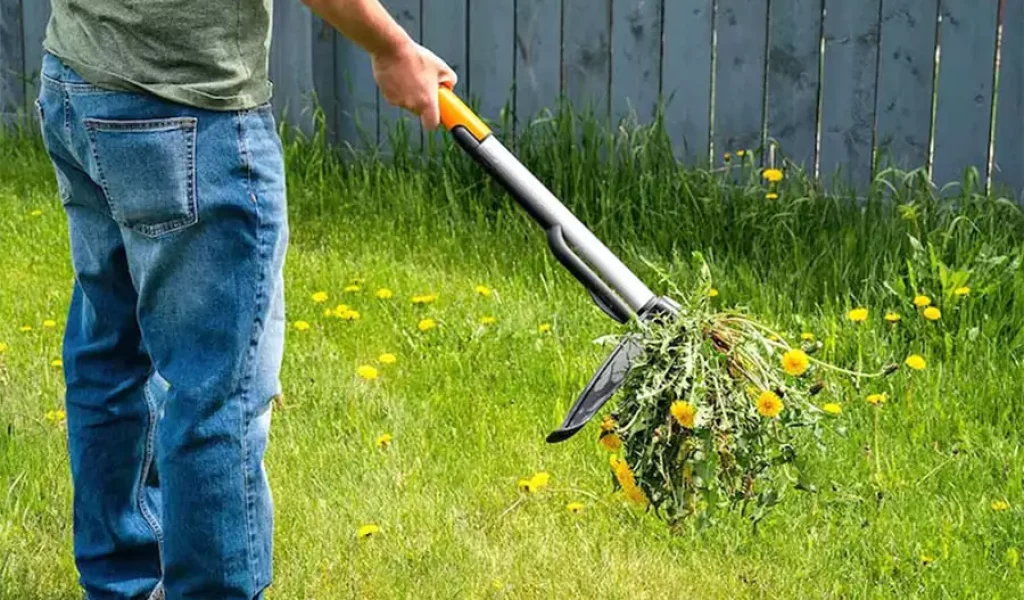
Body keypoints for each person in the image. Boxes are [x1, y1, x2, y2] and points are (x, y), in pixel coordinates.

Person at [36, 0, 456, 598]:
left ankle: (119, 584)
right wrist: (392, 49)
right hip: (183, 106)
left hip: (78, 79)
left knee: (109, 359)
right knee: (216, 394)